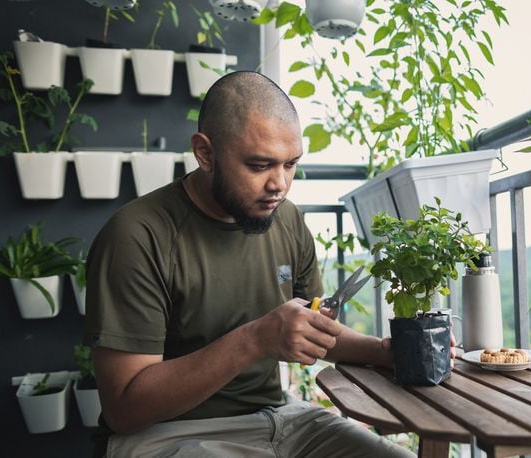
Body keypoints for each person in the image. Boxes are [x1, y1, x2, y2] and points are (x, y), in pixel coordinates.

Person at [83, 71, 418, 457]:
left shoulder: (287, 219)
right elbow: (124, 409)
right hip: (169, 435)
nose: (279, 184)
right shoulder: (137, 235)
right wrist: (255, 339)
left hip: (281, 419)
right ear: (205, 153)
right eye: (259, 166)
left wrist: (387, 352)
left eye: (290, 164)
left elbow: (316, 328)